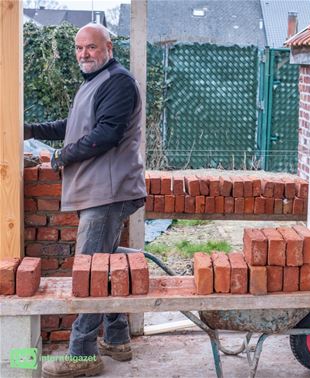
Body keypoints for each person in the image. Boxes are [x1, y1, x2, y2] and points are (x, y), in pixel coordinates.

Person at [24, 23, 146, 378]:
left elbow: (106, 134)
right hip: (98, 191)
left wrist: (62, 156)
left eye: (90, 47)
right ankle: (118, 339)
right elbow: (74, 124)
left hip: (109, 192)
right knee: (104, 264)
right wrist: (31, 130)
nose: (83, 54)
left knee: (89, 268)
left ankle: (82, 354)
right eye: (78, 48)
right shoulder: (94, 82)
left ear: (108, 46)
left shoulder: (119, 82)